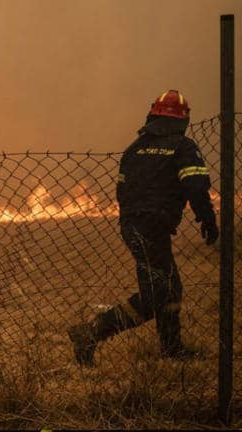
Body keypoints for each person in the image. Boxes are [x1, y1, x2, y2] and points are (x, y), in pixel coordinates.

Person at [68, 90, 218, 367]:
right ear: (183, 120)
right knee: (157, 294)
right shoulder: (183, 147)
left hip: (133, 225)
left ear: (153, 115)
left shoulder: (135, 148)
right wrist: (207, 218)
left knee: (170, 288)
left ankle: (171, 348)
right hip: (154, 227)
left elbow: (122, 191)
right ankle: (92, 331)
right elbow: (196, 186)